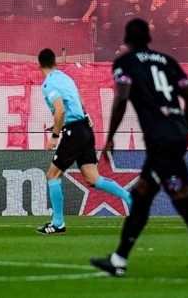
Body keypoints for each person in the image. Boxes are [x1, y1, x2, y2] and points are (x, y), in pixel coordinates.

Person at [90, 19, 188, 280]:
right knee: (141, 196)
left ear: (125, 40)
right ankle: (119, 259)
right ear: (149, 38)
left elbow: (122, 98)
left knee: (184, 203)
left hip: (160, 141)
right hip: (175, 136)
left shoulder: (125, 63)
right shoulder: (166, 61)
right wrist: (182, 125)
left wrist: (110, 137)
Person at [37, 48, 132, 235]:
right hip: (85, 129)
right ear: (55, 62)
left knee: (52, 175)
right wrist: (59, 124)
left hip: (74, 132)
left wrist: (55, 137)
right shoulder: (66, 78)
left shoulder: (48, 84)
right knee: (92, 178)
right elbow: (80, 104)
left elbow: (61, 110)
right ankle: (130, 199)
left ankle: (58, 223)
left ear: (39, 65)